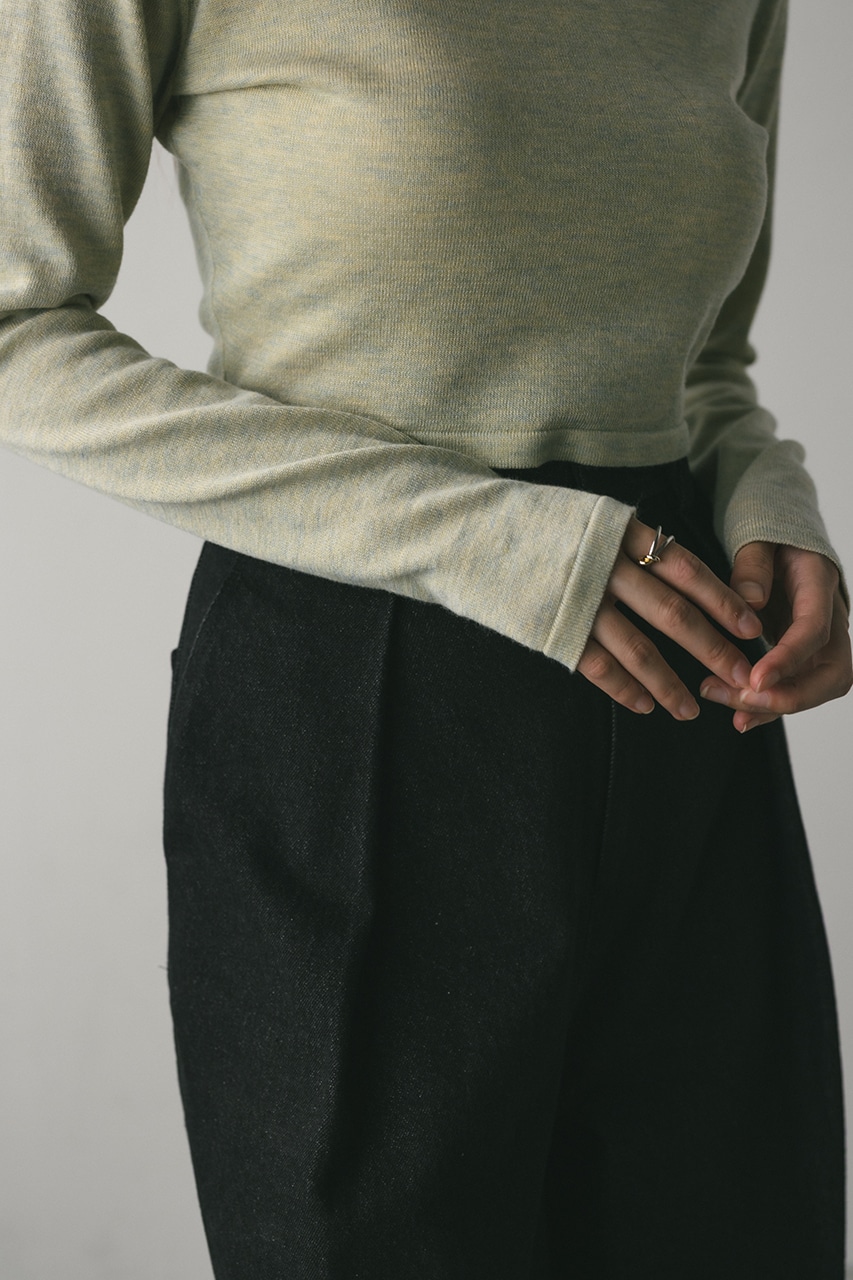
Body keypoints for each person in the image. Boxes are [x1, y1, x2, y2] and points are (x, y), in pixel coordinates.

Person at [1, 0, 850, 1276]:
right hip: (356, 691)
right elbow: (16, 325)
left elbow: (703, 360)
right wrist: (487, 539)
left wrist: (770, 501)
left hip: (689, 694)